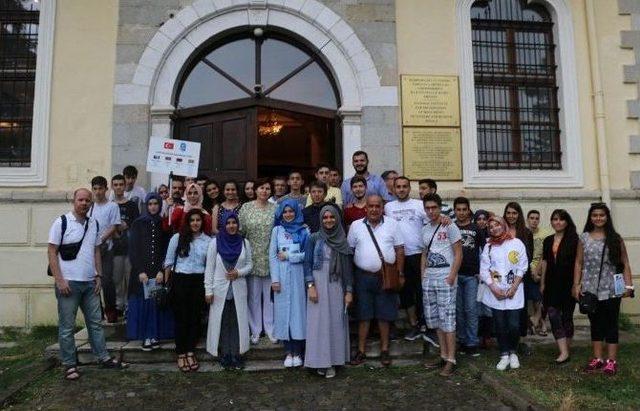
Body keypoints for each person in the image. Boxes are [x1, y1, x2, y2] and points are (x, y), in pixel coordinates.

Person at [48, 188, 128, 380]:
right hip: (69, 282)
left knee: (96, 324)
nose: (84, 203)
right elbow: (52, 251)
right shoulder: (62, 222)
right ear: (74, 201)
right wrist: (59, 280)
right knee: (67, 326)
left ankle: (103, 358)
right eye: (81, 200)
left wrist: (98, 275)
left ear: (91, 203)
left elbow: (96, 251)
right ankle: (69, 364)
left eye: (87, 201)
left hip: (90, 283)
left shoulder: (93, 223)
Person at [573, 203, 634, 375]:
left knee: (611, 325)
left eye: (601, 215)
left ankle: (611, 361)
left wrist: (628, 285)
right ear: (590, 217)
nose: (598, 218)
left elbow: (625, 264)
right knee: (596, 325)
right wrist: (576, 284)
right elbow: (578, 262)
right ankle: (598, 358)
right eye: (595, 215)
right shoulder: (584, 238)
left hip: (612, 289)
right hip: (590, 290)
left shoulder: (615, 238)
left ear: (607, 217)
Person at [348, 195, 404, 367]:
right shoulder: (356, 226)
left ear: (382, 207)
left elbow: (400, 250)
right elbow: (350, 251)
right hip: (362, 277)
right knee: (363, 315)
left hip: (385, 276)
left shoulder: (392, 224)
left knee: (384, 315)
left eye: (377, 206)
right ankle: (361, 350)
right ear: (366, 208)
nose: (373, 209)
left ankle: (385, 350)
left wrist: (400, 273)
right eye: (370, 206)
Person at [303, 205, 353, 378]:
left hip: (336, 285)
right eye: (325, 217)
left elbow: (347, 270)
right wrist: (310, 286)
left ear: (337, 219)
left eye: (332, 217)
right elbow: (307, 264)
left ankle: (332, 362)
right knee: (318, 325)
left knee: (334, 323)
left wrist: (348, 291)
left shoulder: (342, 240)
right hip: (317, 284)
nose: (328, 220)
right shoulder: (313, 238)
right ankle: (318, 362)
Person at [163, 208, 211, 372]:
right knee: (181, 318)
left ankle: (191, 351)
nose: (195, 223)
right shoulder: (177, 238)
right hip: (180, 280)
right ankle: (181, 353)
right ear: (187, 222)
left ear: (202, 222)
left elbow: (210, 265)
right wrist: (167, 283)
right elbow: (169, 262)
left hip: (199, 281)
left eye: (198, 220)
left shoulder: (208, 241)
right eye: (192, 220)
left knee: (195, 317)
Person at [205, 211, 253, 370]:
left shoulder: (244, 242)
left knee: (238, 322)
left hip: (238, 288)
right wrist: (208, 290)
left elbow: (250, 265)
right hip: (220, 290)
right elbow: (209, 269)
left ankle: (238, 354)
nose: (231, 226)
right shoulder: (215, 243)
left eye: (234, 223)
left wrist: (239, 273)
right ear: (223, 225)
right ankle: (225, 354)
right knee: (223, 322)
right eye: (228, 223)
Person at [479, 216, 528, 371]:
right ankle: (504, 354)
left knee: (513, 325)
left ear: (503, 225)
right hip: (496, 291)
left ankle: (513, 352)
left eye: (497, 225)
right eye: (491, 226)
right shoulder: (488, 246)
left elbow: (522, 266)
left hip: (514, 290)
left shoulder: (516, 243)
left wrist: (514, 287)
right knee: (499, 325)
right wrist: (494, 288)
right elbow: (484, 269)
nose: (494, 228)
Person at [422, 194, 462, 377]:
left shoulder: (449, 225)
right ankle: (443, 355)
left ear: (439, 207)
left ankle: (451, 359)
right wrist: (423, 275)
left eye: (433, 208)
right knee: (436, 320)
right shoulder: (424, 228)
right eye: (427, 208)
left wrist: (452, 276)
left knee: (448, 319)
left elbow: (458, 253)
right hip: (429, 278)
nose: (431, 211)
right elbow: (424, 253)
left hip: (445, 278)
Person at [127, 193, 174, 350]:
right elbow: (133, 249)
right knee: (144, 303)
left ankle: (154, 335)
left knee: (156, 302)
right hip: (142, 273)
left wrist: (162, 270)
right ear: (146, 205)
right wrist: (140, 271)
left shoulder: (164, 224)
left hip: (158, 272)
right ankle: (145, 337)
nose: (153, 206)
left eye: (156, 203)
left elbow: (167, 249)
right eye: (150, 204)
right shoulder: (138, 223)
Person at [384, 176, 427, 342]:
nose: (401, 189)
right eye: (398, 187)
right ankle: (413, 324)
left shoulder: (419, 205)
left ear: (409, 188)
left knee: (422, 291)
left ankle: (425, 324)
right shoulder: (388, 207)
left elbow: (431, 222)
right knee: (405, 292)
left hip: (418, 255)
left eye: (404, 186)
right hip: (398, 257)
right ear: (393, 189)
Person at [269, 199, 310, 368]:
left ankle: (298, 352)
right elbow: (272, 255)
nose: (288, 214)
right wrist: (275, 280)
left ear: (296, 212)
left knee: (298, 314)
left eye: (291, 211)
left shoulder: (304, 230)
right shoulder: (277, 230)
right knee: (283, 313)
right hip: (282, 279)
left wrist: (289, 257)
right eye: (285, 212)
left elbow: (308, 254)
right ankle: (288, 352)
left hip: (299, 277)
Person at [238, 178, 277, 344]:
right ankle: (255, 330)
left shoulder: (276, 209)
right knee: (253, 297)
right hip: (251, 257)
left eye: (268, 188)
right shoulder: (246, 208)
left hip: (271, 258)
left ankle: (270, 329)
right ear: (255, 190)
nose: (264, 191)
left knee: (269, 297)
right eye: (261, 188)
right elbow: (240, 232)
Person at [538, 209, 578, 364]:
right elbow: (545, 262)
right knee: (553, 315)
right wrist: (542, 283)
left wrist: (577, 284)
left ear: (567, 222)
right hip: (551, 284)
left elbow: (578, 263)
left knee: (567, 317)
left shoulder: (574, 240)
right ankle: (563, 352)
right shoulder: (548, 240)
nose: (558, 222)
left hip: (568, 284)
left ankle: (566, 348)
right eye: (555, 219)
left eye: (561, 219)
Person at [453, 197, 485, 357]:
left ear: (468, 210)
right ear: (454, 211)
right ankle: (462, 340)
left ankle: (472, 342)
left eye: (464, 209)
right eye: (458, 209)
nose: (461, 213)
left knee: (471, 309)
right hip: (455, 275)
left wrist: (482, 271)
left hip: (472, 275)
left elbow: (484, 251)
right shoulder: (450, 228)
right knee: (458, 310)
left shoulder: (476, 229)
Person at [503, 202, 535, 354]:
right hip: (503, 277)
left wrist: (520, 275)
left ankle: (521, 341)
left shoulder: (526, 233)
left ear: (519, 215)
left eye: (514, 213)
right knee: (504, 309)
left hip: (521, 278)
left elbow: (529, 256)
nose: (511, 216)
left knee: (521, 310)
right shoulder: (500, 230)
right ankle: (506, 342)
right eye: (508, 213)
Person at [90, 176, 122, 323]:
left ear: (106, 189)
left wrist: (101, 239)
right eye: (95, 189)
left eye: (100, 188)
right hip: (90, 250)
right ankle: (98, 312)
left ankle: (111, 311)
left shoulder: (112, 206)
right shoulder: (90, 207)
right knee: (93, 281)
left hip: (106, 249)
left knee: (107, 281)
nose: (98, 192)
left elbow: (114, 226)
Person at [110, 174, 140, 318]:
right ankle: (118, 306)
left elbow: (137, 224)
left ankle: (129, 306)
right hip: (115, 248)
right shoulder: (110, 205)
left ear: (125, 185)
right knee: (117, 278)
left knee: (129, 278)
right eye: (115, 185)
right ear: (112, 186)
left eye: (120, 184)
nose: (118, 187)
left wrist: (127, 225)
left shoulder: (132, 205)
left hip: (129, 247)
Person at [528, 209, 552, 336]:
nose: (534, 220)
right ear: (528, 219)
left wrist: (537, 271)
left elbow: (545, 254)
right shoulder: (525, 233)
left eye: (537, 218)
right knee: (535, 298)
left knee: (542, 297)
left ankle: (537, 321)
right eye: (532, 218)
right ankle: (539, 323)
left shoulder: (545, 234)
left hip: (542, 268)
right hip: (527, 269)